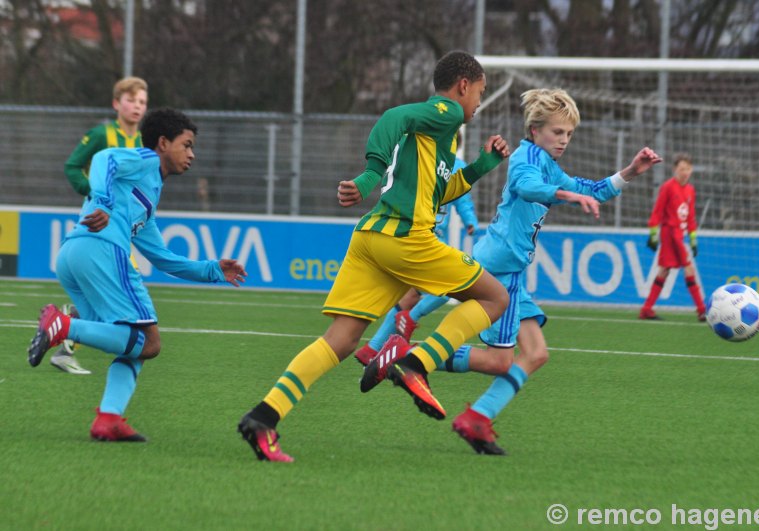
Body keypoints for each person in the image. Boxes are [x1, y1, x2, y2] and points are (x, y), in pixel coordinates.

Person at [237, 50, 511, 463]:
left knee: (341, 340)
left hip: (371, 238)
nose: (478, 103)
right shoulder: (447, 112)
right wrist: (368, 175)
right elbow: (391, 118)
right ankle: (416, 364)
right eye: (480, 93)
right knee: (495, 298)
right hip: (406, 238)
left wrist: (484, 165)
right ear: (463, 86)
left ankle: (264, 416)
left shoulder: (440, 135)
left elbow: (442, 191)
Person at [369, 88, 662, 455]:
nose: (564, 141)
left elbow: (592, 188)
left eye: (569, 134)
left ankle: (477, 416)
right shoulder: (525, 157)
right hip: (500, 269)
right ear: (535, 129)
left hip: (510, 271)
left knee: (536, 353)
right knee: (499, 360)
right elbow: (527, 187)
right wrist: (568, 196)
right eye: (558, 132)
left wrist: (631, 171)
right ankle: (408, 357)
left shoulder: (548, 164)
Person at [27, 108, 247, 442]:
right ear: (162, 143)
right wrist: (101, 200)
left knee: (133, 345)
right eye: (186, 145)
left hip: (73, 256)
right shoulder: (145, 160)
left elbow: (162, 257)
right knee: (149, 342)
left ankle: (108, 418)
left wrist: (213, 270)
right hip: (102, 252)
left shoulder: (147, 192)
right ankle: (63, 326)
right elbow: (103, 159)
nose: (192, 154)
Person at [50, 76, 149, 375]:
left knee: (113, 300)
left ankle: (67, 330)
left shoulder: (142, 143)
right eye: (131, 100)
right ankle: (68, 336)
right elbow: (72, 166)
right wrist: (92, 192)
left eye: (142, 102)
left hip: (120, 229)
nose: (136, 107)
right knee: (126, 300)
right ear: (116, 104)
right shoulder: (101, 135)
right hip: (100, 228)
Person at [353, 154, 479, 366]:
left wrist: (469, 220)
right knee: (449, 286)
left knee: (411, 294)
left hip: (426, 237)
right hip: (422, 238)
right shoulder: (421, 156)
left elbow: (462, 198)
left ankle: (372, 348)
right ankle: (409, 319)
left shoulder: (453, 165)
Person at [639, 153, 706, 321]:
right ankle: (702, 310)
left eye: (688, 169)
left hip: (680, 235)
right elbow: (658, 210)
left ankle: (646, 309)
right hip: (670, 234)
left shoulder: (690, 190)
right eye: (682, 168)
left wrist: (693, 238)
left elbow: (690, 216)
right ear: (675, 169)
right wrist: (653, 234)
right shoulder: (668, 187)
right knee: (688, 268)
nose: (685, 172)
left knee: (664, 270)